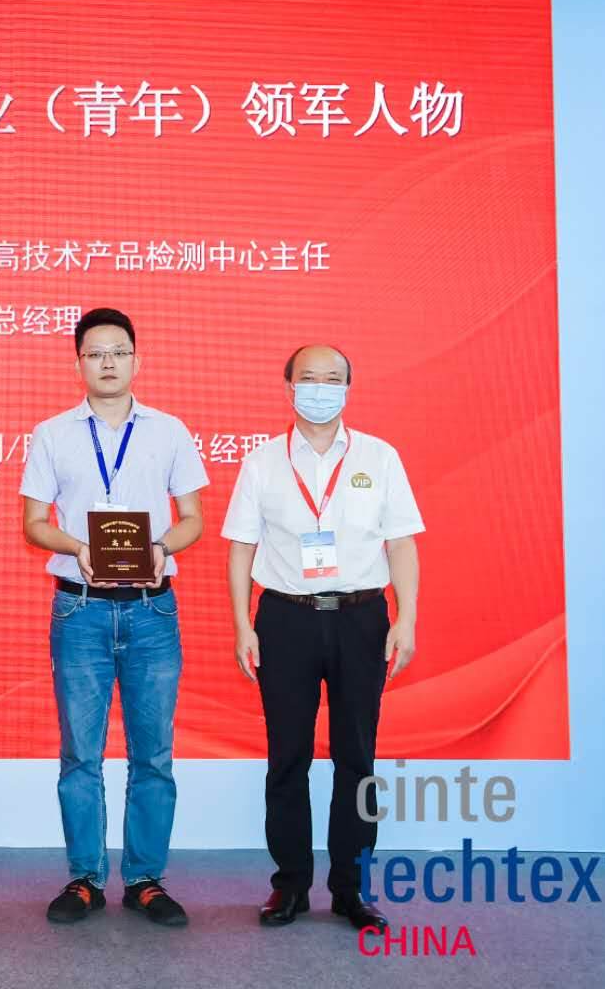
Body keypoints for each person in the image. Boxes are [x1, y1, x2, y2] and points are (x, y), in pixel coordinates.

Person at [221, 345, 423, 933]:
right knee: (288, 756)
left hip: (362, 618)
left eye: (332, 379)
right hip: (286, 619)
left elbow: (401, 544)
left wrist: (406, 618)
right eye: (308, 378)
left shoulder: (380, 457)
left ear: (348, 389)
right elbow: (241, 548)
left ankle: (351, 888)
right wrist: (242, 625)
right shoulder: (262, 462)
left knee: (357, 755)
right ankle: (289, 885)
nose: (320, 388)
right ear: (288, 387)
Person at [20, 308, 208, 925]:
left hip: (153, 609)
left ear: (136, 360)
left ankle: (146, 878)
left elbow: (193, 519)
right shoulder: (52, 434)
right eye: (95, 353)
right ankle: (85, 877)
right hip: (80, 608)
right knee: (81, 753)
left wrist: (161, 549)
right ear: (78, 362)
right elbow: (34, 523)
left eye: (119, 352)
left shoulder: (169, 431)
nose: (108, 363)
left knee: (154, 753)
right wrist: (78, 547)